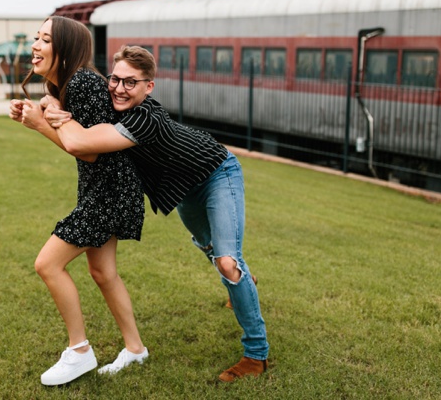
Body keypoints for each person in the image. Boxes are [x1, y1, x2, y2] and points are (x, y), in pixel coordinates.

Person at [23, 45, 271, 383]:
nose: (119, 88)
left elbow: (81, 144)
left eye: (131, 82)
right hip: (184, 190)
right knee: (211, 250)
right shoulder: (110, 103)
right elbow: (77, 127)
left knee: (227, 262)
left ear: (149, 86)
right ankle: (243, 286)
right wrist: (54, 103)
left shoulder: (145, 119)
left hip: (216, 174)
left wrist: (48, 117)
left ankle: (255, 355)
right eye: (115, 79)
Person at [6, 16, 147, 386]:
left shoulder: (83, 82)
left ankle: (79, 351)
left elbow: (87, 150)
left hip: (110, 192)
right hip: (105, 190)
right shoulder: (67, 85)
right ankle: (135, 349)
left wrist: (40, 124)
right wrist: (37, 115)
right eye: (36, 37)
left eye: (45, 39)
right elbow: (78, 140)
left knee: (47, 264)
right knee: (102, 272)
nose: (35, 45)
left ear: (65, 48)